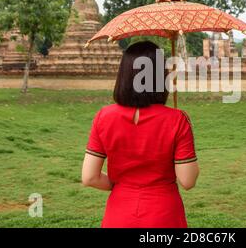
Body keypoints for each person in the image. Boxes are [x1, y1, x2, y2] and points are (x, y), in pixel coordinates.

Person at [81, 41, 199, 228]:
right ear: (162, 77)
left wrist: (124, 186)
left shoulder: (103, 117)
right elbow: (188, 180)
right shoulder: (177, 120)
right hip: (163, 214)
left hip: (119, 213)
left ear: (124, 75)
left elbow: (89, 177)